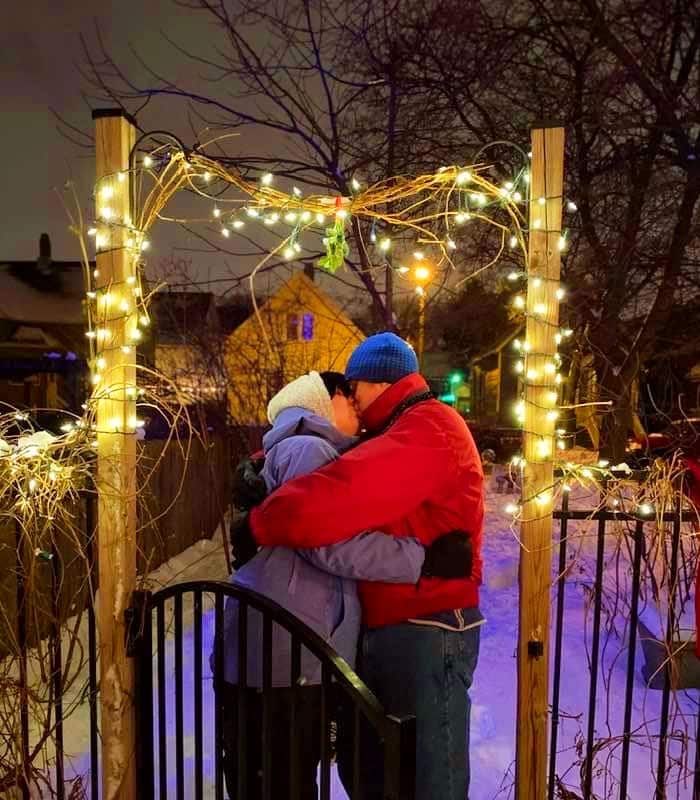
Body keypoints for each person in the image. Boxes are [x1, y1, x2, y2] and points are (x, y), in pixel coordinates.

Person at [234, 333, 484, 800]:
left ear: (375, 383)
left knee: (425, 778)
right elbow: (331, 459)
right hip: (398, 626)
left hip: (426, 628)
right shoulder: (399, 429)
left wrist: (259, 522)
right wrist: (261, 469)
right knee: (377, 773)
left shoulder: (427, 427)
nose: (350, 398)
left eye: (353, 388)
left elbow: (335, 492)